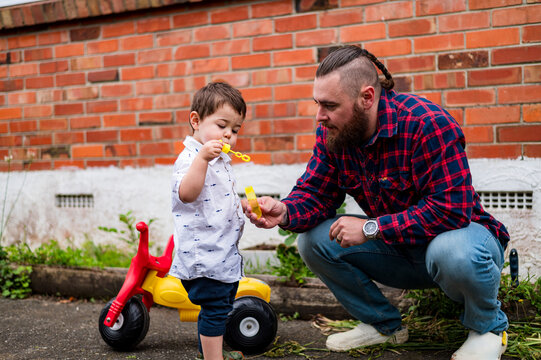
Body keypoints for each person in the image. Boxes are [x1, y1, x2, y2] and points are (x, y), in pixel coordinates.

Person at [243, 45, 510, 360]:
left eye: (329, 105)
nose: (320, 116)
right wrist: (285, 210)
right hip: (403, 250)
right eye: (317, 103)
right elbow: (316, 191)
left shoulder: (426, 124)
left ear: (367, 97)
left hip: (462, 244)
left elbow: (452, 209)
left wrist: (371, 227)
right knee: (313, 241)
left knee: (451, 249)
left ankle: (488, 327)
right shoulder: (335, 133)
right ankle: (384, 326)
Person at [170, 82, 247, 360]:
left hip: (222, 254)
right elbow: (187, 194)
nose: (229, 134)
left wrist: (244, 206)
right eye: (222, 125)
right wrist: (202, 158)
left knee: (222, 306)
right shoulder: (191, 158)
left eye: (235, 129)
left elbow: (218, 200)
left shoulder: (220, 160)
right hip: (205, 256)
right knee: (214, 309)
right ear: (196, 121)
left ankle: (211, 351)